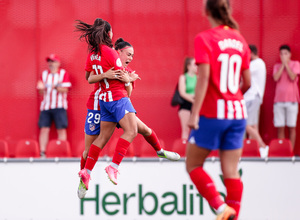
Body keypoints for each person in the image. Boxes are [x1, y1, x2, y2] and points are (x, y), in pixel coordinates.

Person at [77, 38, 180, 198]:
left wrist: (127, 81)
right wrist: (107, 75)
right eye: (129, 54)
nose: (131, 58)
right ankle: (85, 178)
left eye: (132, 55)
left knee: (144, 130)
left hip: (116, 105)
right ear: (118, 52)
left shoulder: (126, 70)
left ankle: (159, 151)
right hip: (98, 106)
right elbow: (90, 78)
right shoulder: (106, 62)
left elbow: (129, 93)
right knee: (87, 151)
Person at [185, 0, 251, 219]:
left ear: (206, 10)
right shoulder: (240, 40)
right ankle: (234, 215)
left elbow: (203, 78)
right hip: (238, 113)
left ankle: (221, 209)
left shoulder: (204, 38)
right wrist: (232, 96)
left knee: (193, 165)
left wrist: (194, 114)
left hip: (214, 113)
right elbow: (247, 83)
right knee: (231, 172)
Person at [36, 54, 71, 157]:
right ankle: (43, 152)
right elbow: (40, 91)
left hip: (59, 105)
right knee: (44, 129)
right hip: (46, 106)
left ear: (58, 63)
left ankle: (61, 151)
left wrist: (55, 87)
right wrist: (42, 88)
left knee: (61, 128)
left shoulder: (63, 73)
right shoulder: (44, 74)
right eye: (49, 61)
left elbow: (65, 89)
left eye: (53, 61)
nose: (51, 64)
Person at [273, 44, 300, 148]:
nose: (283, 56)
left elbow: (293, 77)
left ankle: (290, 152)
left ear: (290, 54)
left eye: (285, 53)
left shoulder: (296, 64)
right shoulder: (276, 66)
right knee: (280, 127)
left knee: (292, 127)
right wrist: (283, 65)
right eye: (281, 54)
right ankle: (281, 151)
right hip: (278, 101)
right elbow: (276, 78)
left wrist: (286, 65)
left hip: (292, 101)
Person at [244, 44, 268, 158]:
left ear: (251, 53)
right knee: (253, 126)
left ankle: (263, 146)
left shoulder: (256, 63)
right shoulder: (257, 63)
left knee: (245, 125)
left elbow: (243, 71)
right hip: (250, 97)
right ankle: (254, 149)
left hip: (252, 97)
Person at [177, 57, 197, 144]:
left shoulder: (198, 77)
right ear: (188, 66)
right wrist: (193, 100)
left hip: (196, 105)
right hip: (186, 105)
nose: (196, 66)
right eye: (194, 65)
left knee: (196, 127)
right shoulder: (183, 77)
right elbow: (182, 92)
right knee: (186, 128)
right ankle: (184, 147)